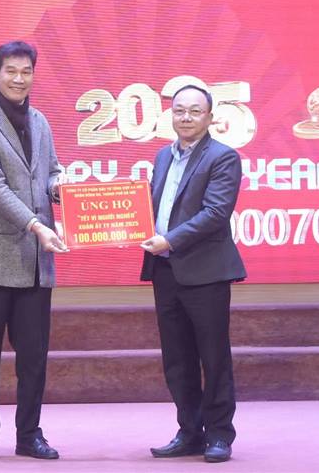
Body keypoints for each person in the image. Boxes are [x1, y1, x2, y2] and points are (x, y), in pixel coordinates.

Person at [0, 40, 68, 463]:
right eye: (11, 71)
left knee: (34, 357)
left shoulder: (39, 120)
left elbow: (51, 170)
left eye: (26, 72)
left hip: (36, 262)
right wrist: (36, 225)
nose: (19, 79)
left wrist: (60, 186)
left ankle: (29, 434)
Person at [139, 84, 246, 464]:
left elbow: (215, 213)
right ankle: (189, 431)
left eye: (194, 111)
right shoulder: (162, 156)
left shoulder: (223, 157)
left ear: (210, 117)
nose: (186, 117)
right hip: (165, 270)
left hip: (206, 271)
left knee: (213, 357)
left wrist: (169, 239)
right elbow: (152, 207)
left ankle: (219, 434)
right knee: (177, 358)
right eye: (179, 110)